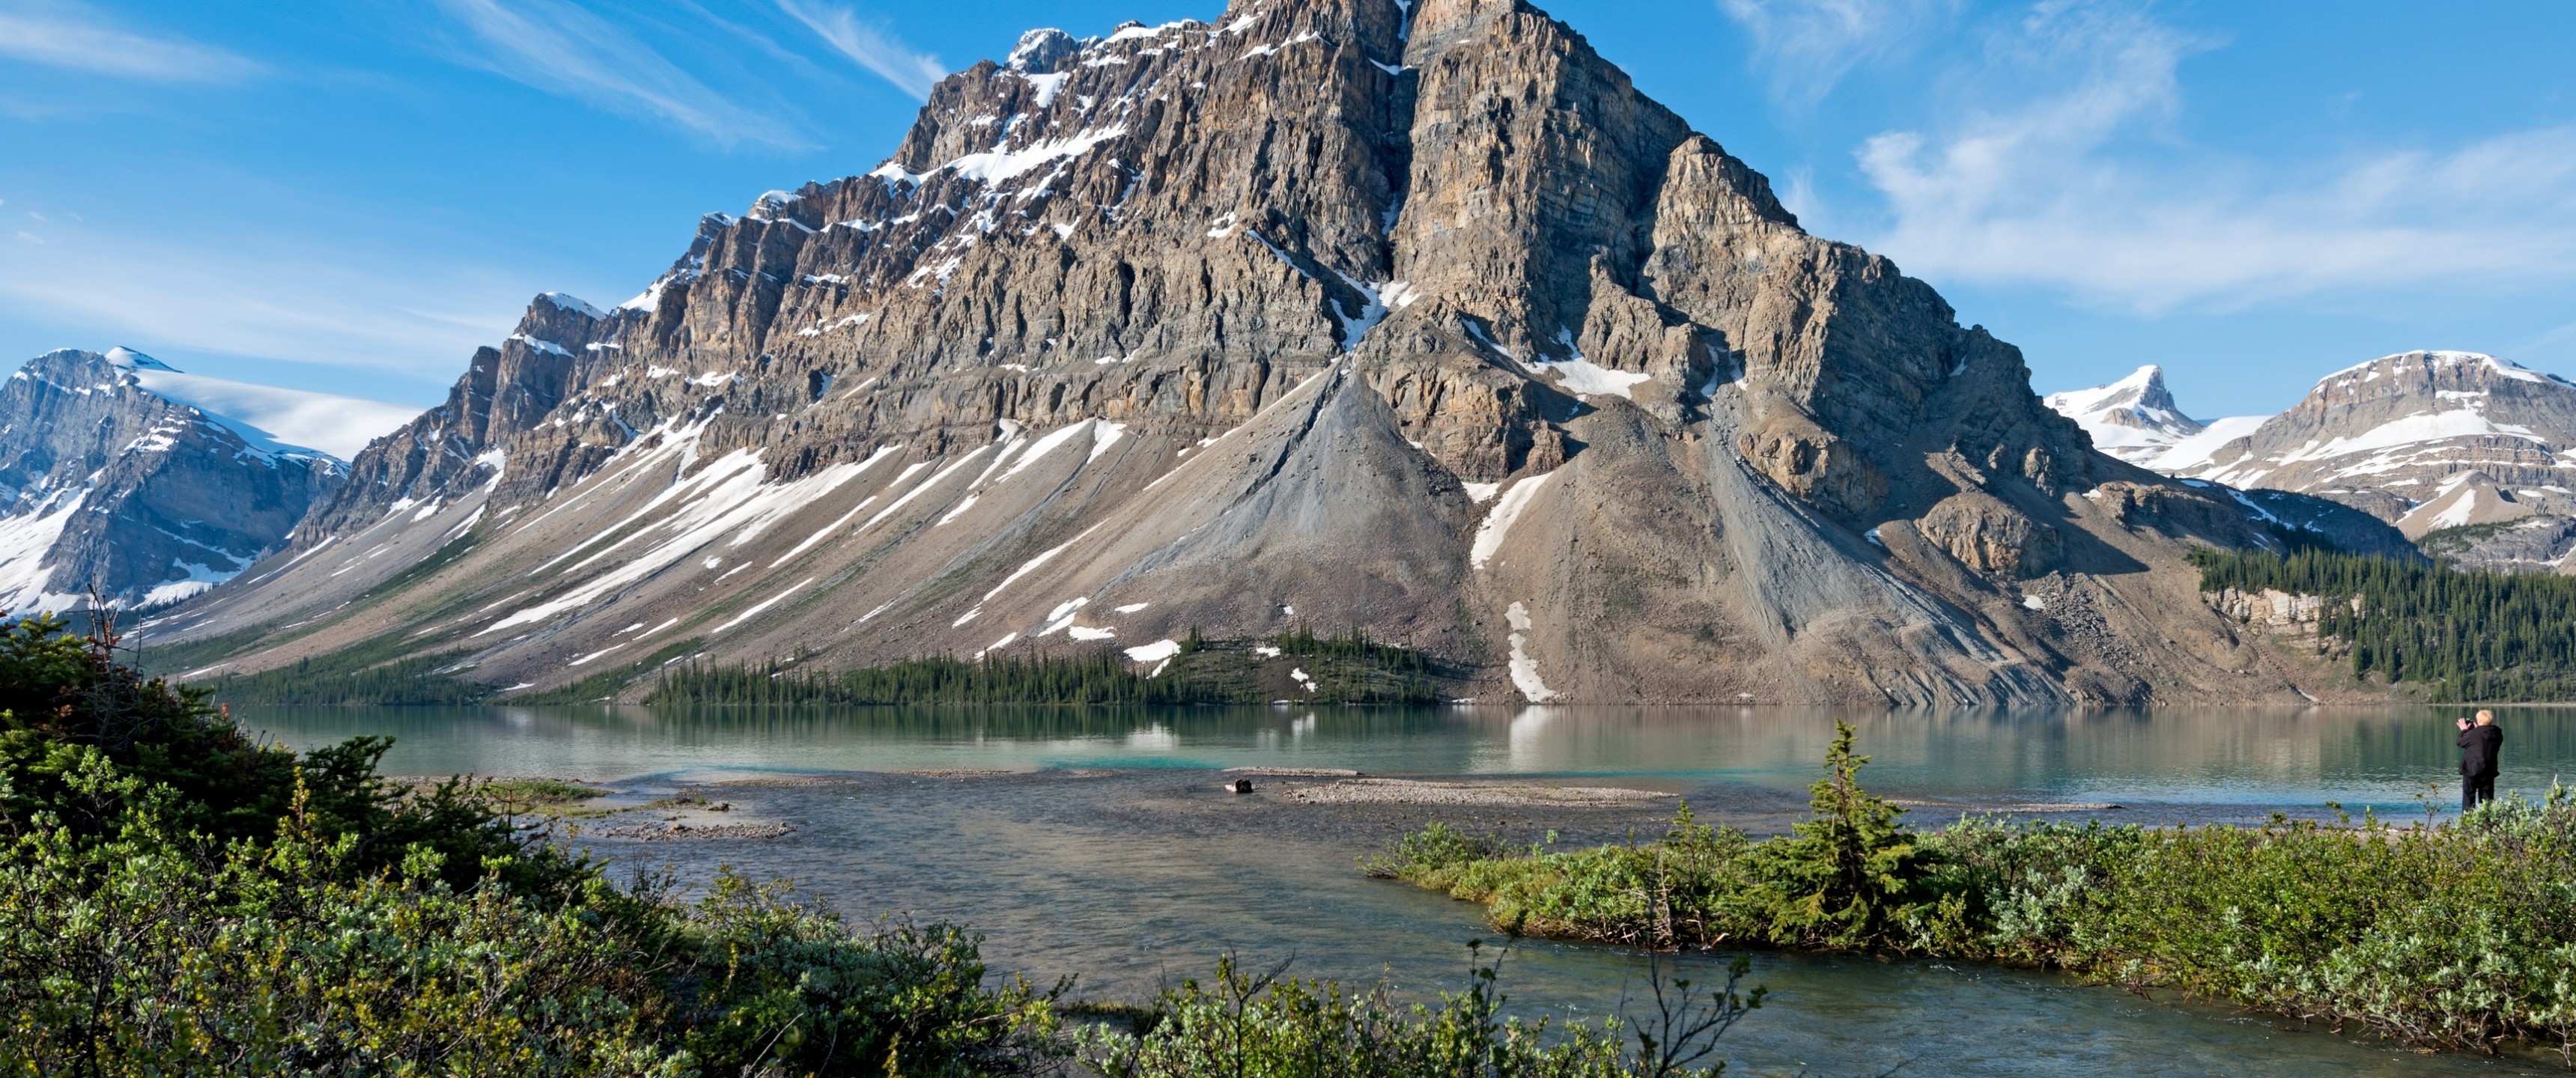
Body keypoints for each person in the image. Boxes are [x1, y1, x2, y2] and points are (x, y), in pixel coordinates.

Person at [2456, 709, 2503, 812]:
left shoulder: (2474, 734)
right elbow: (2483, 736)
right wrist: (2477, 729)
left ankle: (2467, 824)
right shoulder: (2497, 733)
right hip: (2489, 771)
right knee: (2487, 799)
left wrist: (2464, 730)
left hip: (2471, 770)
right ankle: (2487, 824)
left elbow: (2460, 742)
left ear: (2478, 720)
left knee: (2469, 798)